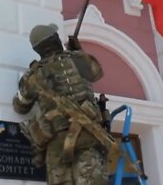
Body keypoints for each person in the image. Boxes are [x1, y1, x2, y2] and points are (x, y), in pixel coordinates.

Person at [12, 23, 109, 185]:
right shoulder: (78, 60)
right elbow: (96, 72)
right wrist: (77, 51)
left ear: (37, 50)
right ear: (56, 39)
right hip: (88, 135)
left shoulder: (33, 76)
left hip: (57, 142)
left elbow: (20, 106)